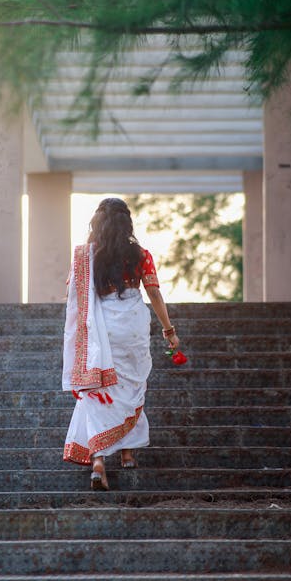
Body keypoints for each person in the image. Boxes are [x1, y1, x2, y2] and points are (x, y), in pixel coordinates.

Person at [62, 197, 180, 491]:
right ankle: (127, 454)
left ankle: (99, 459)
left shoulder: (88, 256)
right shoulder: (140, 254)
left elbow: (74, 291)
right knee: (130, 389)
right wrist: (169, 331)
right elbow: (154, 294)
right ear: (127, 223)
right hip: (133, 328)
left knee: (99, 391)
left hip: (104, 330)